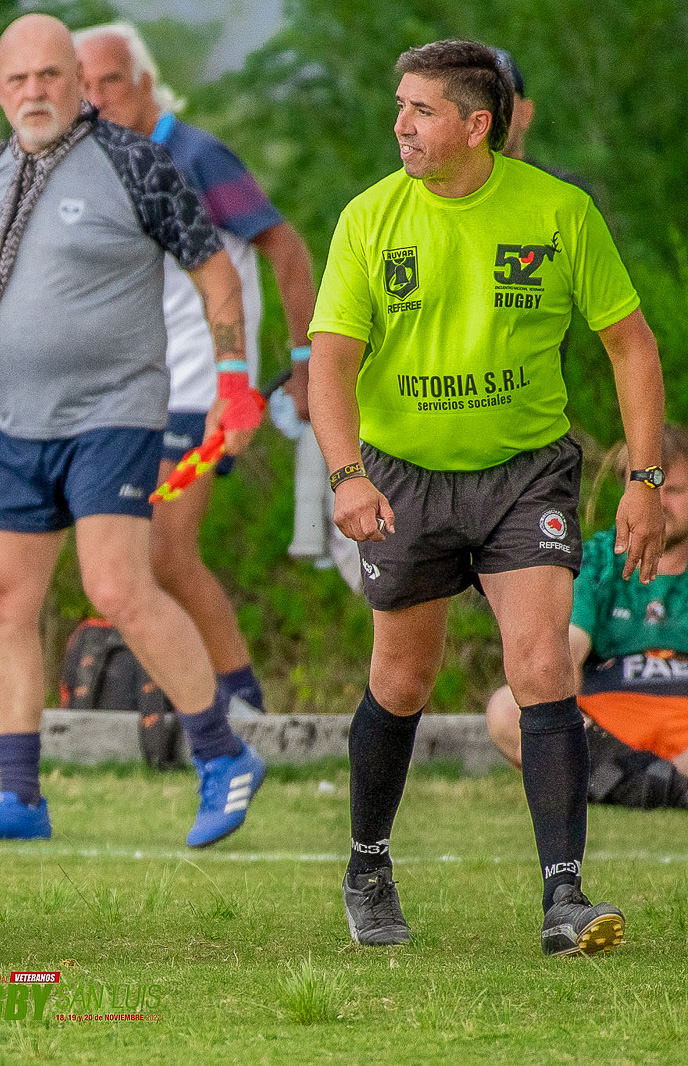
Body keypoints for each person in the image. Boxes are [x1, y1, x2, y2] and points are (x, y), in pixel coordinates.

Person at [308, 39, 665, 955]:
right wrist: (346, 474)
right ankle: (368, 868)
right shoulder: (369, 218)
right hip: (404, 475)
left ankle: (564, 899)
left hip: (525, 473)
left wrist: (645, 479)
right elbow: (332, 364)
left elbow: (631, 346)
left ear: (478, 125)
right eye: (400, 106)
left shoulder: (559, 211)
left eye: (420, 110)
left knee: (542, 666)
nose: (400, 125)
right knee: (402, 680)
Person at [0, 13, 266, 848]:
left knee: (118, 587)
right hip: (15, 423)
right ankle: (19, 797)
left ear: (77, 81)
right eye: (18, 79)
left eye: (50, 76)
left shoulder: (136, 163)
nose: (35, 91)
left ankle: (223, 753)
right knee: (3, 597)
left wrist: (235, 385)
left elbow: (216, 273)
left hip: (115, 412)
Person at [75, 21, 318, 719]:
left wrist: (303, 362)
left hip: (204, 391)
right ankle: (184, 705)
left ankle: (240, 703)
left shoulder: (195, 154)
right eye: (85, 86)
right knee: (130, 562)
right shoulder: (99, 162)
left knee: (167, 554)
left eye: (111, 80)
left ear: (145, 81)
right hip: (133, 394)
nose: (98, 98)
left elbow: (287, 250)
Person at [486, 426, 688, 807]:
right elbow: (568, 648)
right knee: (505, 709)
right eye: (647, 488)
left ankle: (619, 783)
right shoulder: (597, 560)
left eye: (674, 491)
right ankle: (658, 784)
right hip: (608, 727)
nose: (658, 503)